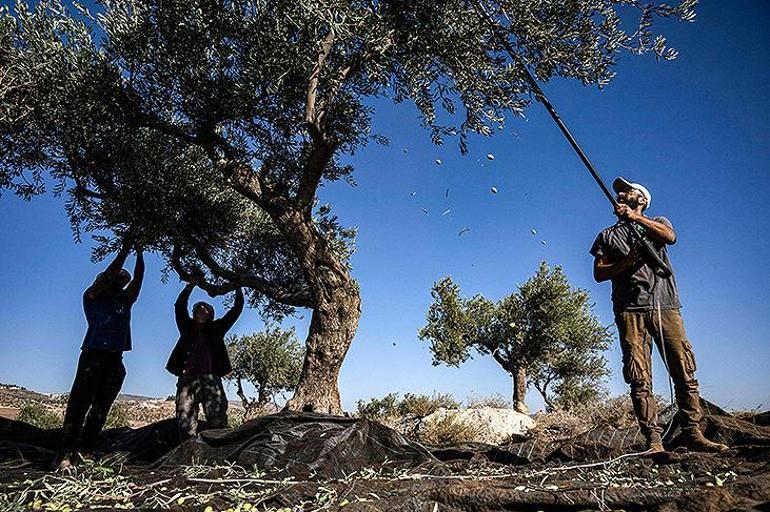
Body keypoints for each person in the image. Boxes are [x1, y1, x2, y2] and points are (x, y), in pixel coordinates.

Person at [590, 177, 728, 454]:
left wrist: (636, 219)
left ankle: (693, 433)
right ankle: (653, 441)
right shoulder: (606, 235)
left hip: (665, 306)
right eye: (618, 191)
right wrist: (626, 263)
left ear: (640, 200)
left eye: (626, 191)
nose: (620, 194)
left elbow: (670, 237)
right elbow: (599, 273)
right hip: (629, 310)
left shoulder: (657, 222)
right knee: (639, 376)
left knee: (683, 369)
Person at [54, 241, 145, 469]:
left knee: (100, 409)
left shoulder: (125, 301)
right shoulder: (93, 296)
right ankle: (65, 452)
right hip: (93, 357)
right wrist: (125, 249)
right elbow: (108, 276)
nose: (121, 281)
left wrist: (141, 252)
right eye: (116, 278)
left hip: (116, 361)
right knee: (79, 405)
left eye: (123, 280)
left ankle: (86, 449)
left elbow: (139, 279)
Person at [166, 281, 244, 440]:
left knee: (217, 420)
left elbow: (236, 311)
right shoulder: (186, 327)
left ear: (210, 315)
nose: (201, 312)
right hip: (187, 379)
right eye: (198, 310)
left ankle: (218, 456)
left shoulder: (217, 328)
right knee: (184, 421)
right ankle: (187, 456)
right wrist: (190, 286)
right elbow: (179, 307)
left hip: (210, 379)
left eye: (205, 310)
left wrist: (238, 287)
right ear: (193, 314)